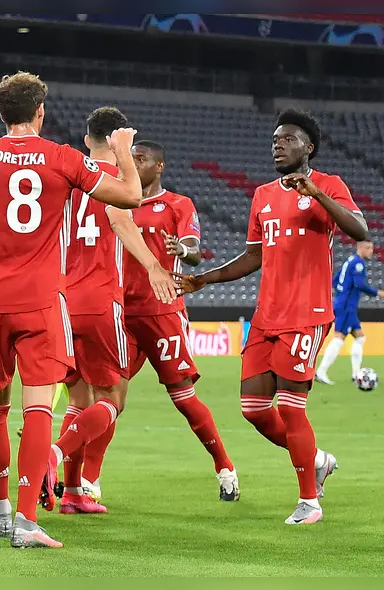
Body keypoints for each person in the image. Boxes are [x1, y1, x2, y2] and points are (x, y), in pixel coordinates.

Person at [0, 71, 142, 548]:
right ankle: (27, 522)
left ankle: (1, 509)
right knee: (37, 411)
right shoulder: (62, 158)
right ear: (40, 112)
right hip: (40, 301)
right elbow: (130, 196)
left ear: (1, 113)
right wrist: (125, 149)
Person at [178, 108, 366, 524]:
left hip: (307, 314)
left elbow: (360, 231)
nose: (277, 144)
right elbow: (252, 256)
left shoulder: (330, 185)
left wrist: (317, 193)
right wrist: (204, 279)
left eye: (287, 139)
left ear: (308, 147)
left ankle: (309, 502)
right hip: (266, 317)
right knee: (254, 408)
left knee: (293, 407)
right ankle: (316, 459)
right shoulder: (263, 195)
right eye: (274, 140)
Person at [47, 107, 178, 515]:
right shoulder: (119, 180)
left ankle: (72, 492)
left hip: (63, 300)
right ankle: (54, 454)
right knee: (112, 399)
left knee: (79, 398)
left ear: (87, 139)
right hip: (101, 300)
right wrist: (154, 264)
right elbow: (122, 219)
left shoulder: (67, 176)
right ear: (124, 137)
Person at [123, 139, 239, 501]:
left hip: (162, 312)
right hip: (120, 311)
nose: (134, 164)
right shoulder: (117, 204)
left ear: (159, 166)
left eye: (140, 159)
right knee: (107, 397)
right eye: (130, 158)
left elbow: (192, 250)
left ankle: (225, 467)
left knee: (183, 397)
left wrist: (183, 249)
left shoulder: (178, 204)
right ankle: (86, 482)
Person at [316, 240, 382, 384]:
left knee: (360, 337)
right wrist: (377, 292)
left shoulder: (349, 261)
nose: (371, 251)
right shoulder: (358, 264)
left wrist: (341, 294)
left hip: (343, 303)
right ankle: (321, 372)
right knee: (339, 338)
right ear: (360, 248)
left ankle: (356, 374)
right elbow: (359, 284)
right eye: (368, 248)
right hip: (347, 306)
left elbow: (334, 281)